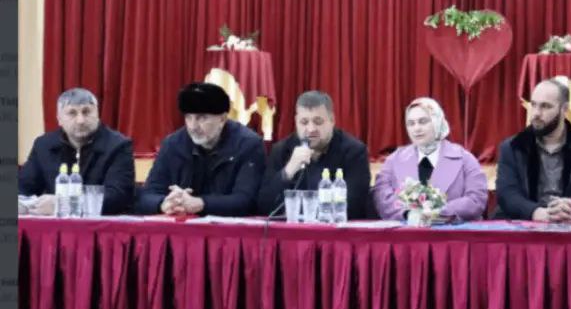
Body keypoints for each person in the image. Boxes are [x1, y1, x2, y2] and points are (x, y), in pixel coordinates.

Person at [136, 82, 265, 216]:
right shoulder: (172, 144)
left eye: (202, 118)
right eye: (188, 117)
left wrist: (202, 204)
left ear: (222, 119)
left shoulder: (248, 144)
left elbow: (246, 200)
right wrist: (164, 203)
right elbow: (147, 196)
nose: (193, 126)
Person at [495, 79, 571, 221]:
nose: (536, 113)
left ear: (564, 109)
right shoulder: (512, 147)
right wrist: (535, 212)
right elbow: (507, 193)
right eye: (533, 105)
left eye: (545, 106)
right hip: (527, 226)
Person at [19, 87, 135, 215]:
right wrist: (23, 205)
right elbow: (23, 188)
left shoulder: (118, 145)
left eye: (86, 112)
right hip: (55, 224)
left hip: (100, 223)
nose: (80, 120)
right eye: (72, 113)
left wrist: (63, 204)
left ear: (97, 115)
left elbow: (118, 197)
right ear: (59, 119)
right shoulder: (44, 145)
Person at [257, 90, 371, 218]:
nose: (311, 129)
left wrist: (304, 211)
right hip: (292, 230)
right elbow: (263, 206)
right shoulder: (281, 150)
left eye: (318, 122)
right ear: (296, 121)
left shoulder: (354, 151)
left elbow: (355, 206)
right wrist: (287, 172)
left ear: (332, 120)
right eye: (304, 122)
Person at [373, 97, 488, 221]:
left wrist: (437, 213)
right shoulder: (393, 160)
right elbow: (382, 198)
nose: (417, 128)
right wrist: (408, 214)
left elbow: (476, 199)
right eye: (411, 123)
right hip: (407, 231)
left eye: (423, 122)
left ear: (437, 121)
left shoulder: (465, 159)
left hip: (451, 231)